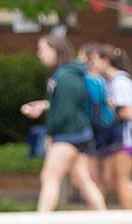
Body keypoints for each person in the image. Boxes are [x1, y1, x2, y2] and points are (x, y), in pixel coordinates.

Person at [20, 33, 107, 213]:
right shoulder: (70, 74)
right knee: (82, 179)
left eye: (42, 49)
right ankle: (103, 216)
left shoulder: (65, 77)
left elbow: (65, 111)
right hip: (80, 134)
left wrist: (51, 134)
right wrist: (44, 106)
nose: (39, 54)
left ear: (55, 51)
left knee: (49, 177)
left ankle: (41, 222)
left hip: (68, 135)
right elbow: (67, 104)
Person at [86, 44, 132, 210]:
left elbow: (128, 112)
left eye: (94, 60)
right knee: (111, 179)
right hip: (115, 139)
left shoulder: (120, 82)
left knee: (122, 181)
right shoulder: (109, 82)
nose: (91, 64)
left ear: (105, 60)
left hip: (126, 139)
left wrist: (110, 107)